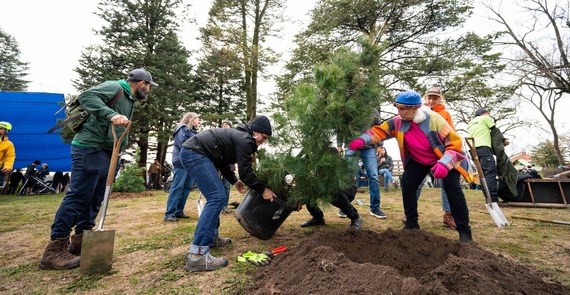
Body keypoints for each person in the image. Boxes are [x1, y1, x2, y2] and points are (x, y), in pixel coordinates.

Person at [39, 68, 157, 270]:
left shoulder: (129, 99)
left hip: (105, 151)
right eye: (149, 86)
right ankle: (54, 250)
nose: (148, 90)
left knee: (95, 196)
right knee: (79, 195)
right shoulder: (115, 87)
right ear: (142, 83)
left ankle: (81, 239)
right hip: (89, 148)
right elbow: (86, 96)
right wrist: (111, 115)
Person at [349, 91, 473, 243]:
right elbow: (380, 131)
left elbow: (455, 145)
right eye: (398, 108)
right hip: (419, 160)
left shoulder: (434, 121)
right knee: (407, 182)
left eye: (403, 108)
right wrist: (363, 139)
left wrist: (444, 164)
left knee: (452, 189)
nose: (399, 112)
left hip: (444, 159)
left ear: (416, 108)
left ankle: (464, 232)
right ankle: (411, 224)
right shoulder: (398, 121)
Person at [179, 115, 277, 272]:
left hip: (195, 153)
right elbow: (246, 173)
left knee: (219, 197)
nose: (264, 141)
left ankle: (211, 238)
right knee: (216, 197)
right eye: (263, 137)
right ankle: (197, 255)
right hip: (195, 153)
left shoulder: (239, 137)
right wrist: (263, 190)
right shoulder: (245, 140)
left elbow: (222, 161)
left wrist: (233, 180)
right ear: (255, 132)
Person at [419, 87, 456, 228]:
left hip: (440, 153)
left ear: (439, 99)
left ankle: (448, 214)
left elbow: (451, 133)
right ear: (425, 98)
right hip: (422, 152)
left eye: (435, 98)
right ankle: (409, 212)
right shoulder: (419, 112)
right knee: (417, 182)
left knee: (445, 184)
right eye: (429, 98)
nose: (431, 101)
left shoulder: (445, 114)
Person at [339, 110, 386, 219]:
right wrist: (339, 144)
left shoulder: (373, 111)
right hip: (351, 146)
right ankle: (344, 207)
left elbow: (379, 128)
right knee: (348, 177)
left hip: (368, 147)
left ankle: (375, 208)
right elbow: (340, 127)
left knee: (373, 176)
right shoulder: (349, 108)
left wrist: (380, 145)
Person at [164, 112, 200, 222]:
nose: (198, 121)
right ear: (192, 119)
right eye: (197, 119)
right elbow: (183, 144)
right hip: (181, 162)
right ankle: (169, 213)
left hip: (190, 162)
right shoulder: (182, 128)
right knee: (177, 186)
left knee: (187, 187)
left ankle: (178, 211)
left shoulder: (193, 132)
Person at [466, 108, 507, 203]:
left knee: (482, 174)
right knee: (490, 172)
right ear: (483, 114)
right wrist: (503, 141)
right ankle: (493, 199)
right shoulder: (484, 118)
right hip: (484, 148)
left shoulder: (470, 123)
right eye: (488, 114)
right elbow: (495, 131)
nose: (489, 115)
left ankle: (487, 198)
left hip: (473, 150)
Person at [220, 119, 234, 214]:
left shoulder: (232, 138)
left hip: (229, 166)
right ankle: (220, 205)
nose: (225, 127)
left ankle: (225, 205)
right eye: (224, 125)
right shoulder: (219, 137)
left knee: (226, 186)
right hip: (220, 166)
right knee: (219, 186)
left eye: (227, 125)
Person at [0, 121, 16, 188]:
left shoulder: (9, 144)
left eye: (1, 128)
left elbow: (10, 156)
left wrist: (8, 167)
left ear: (6, 131)